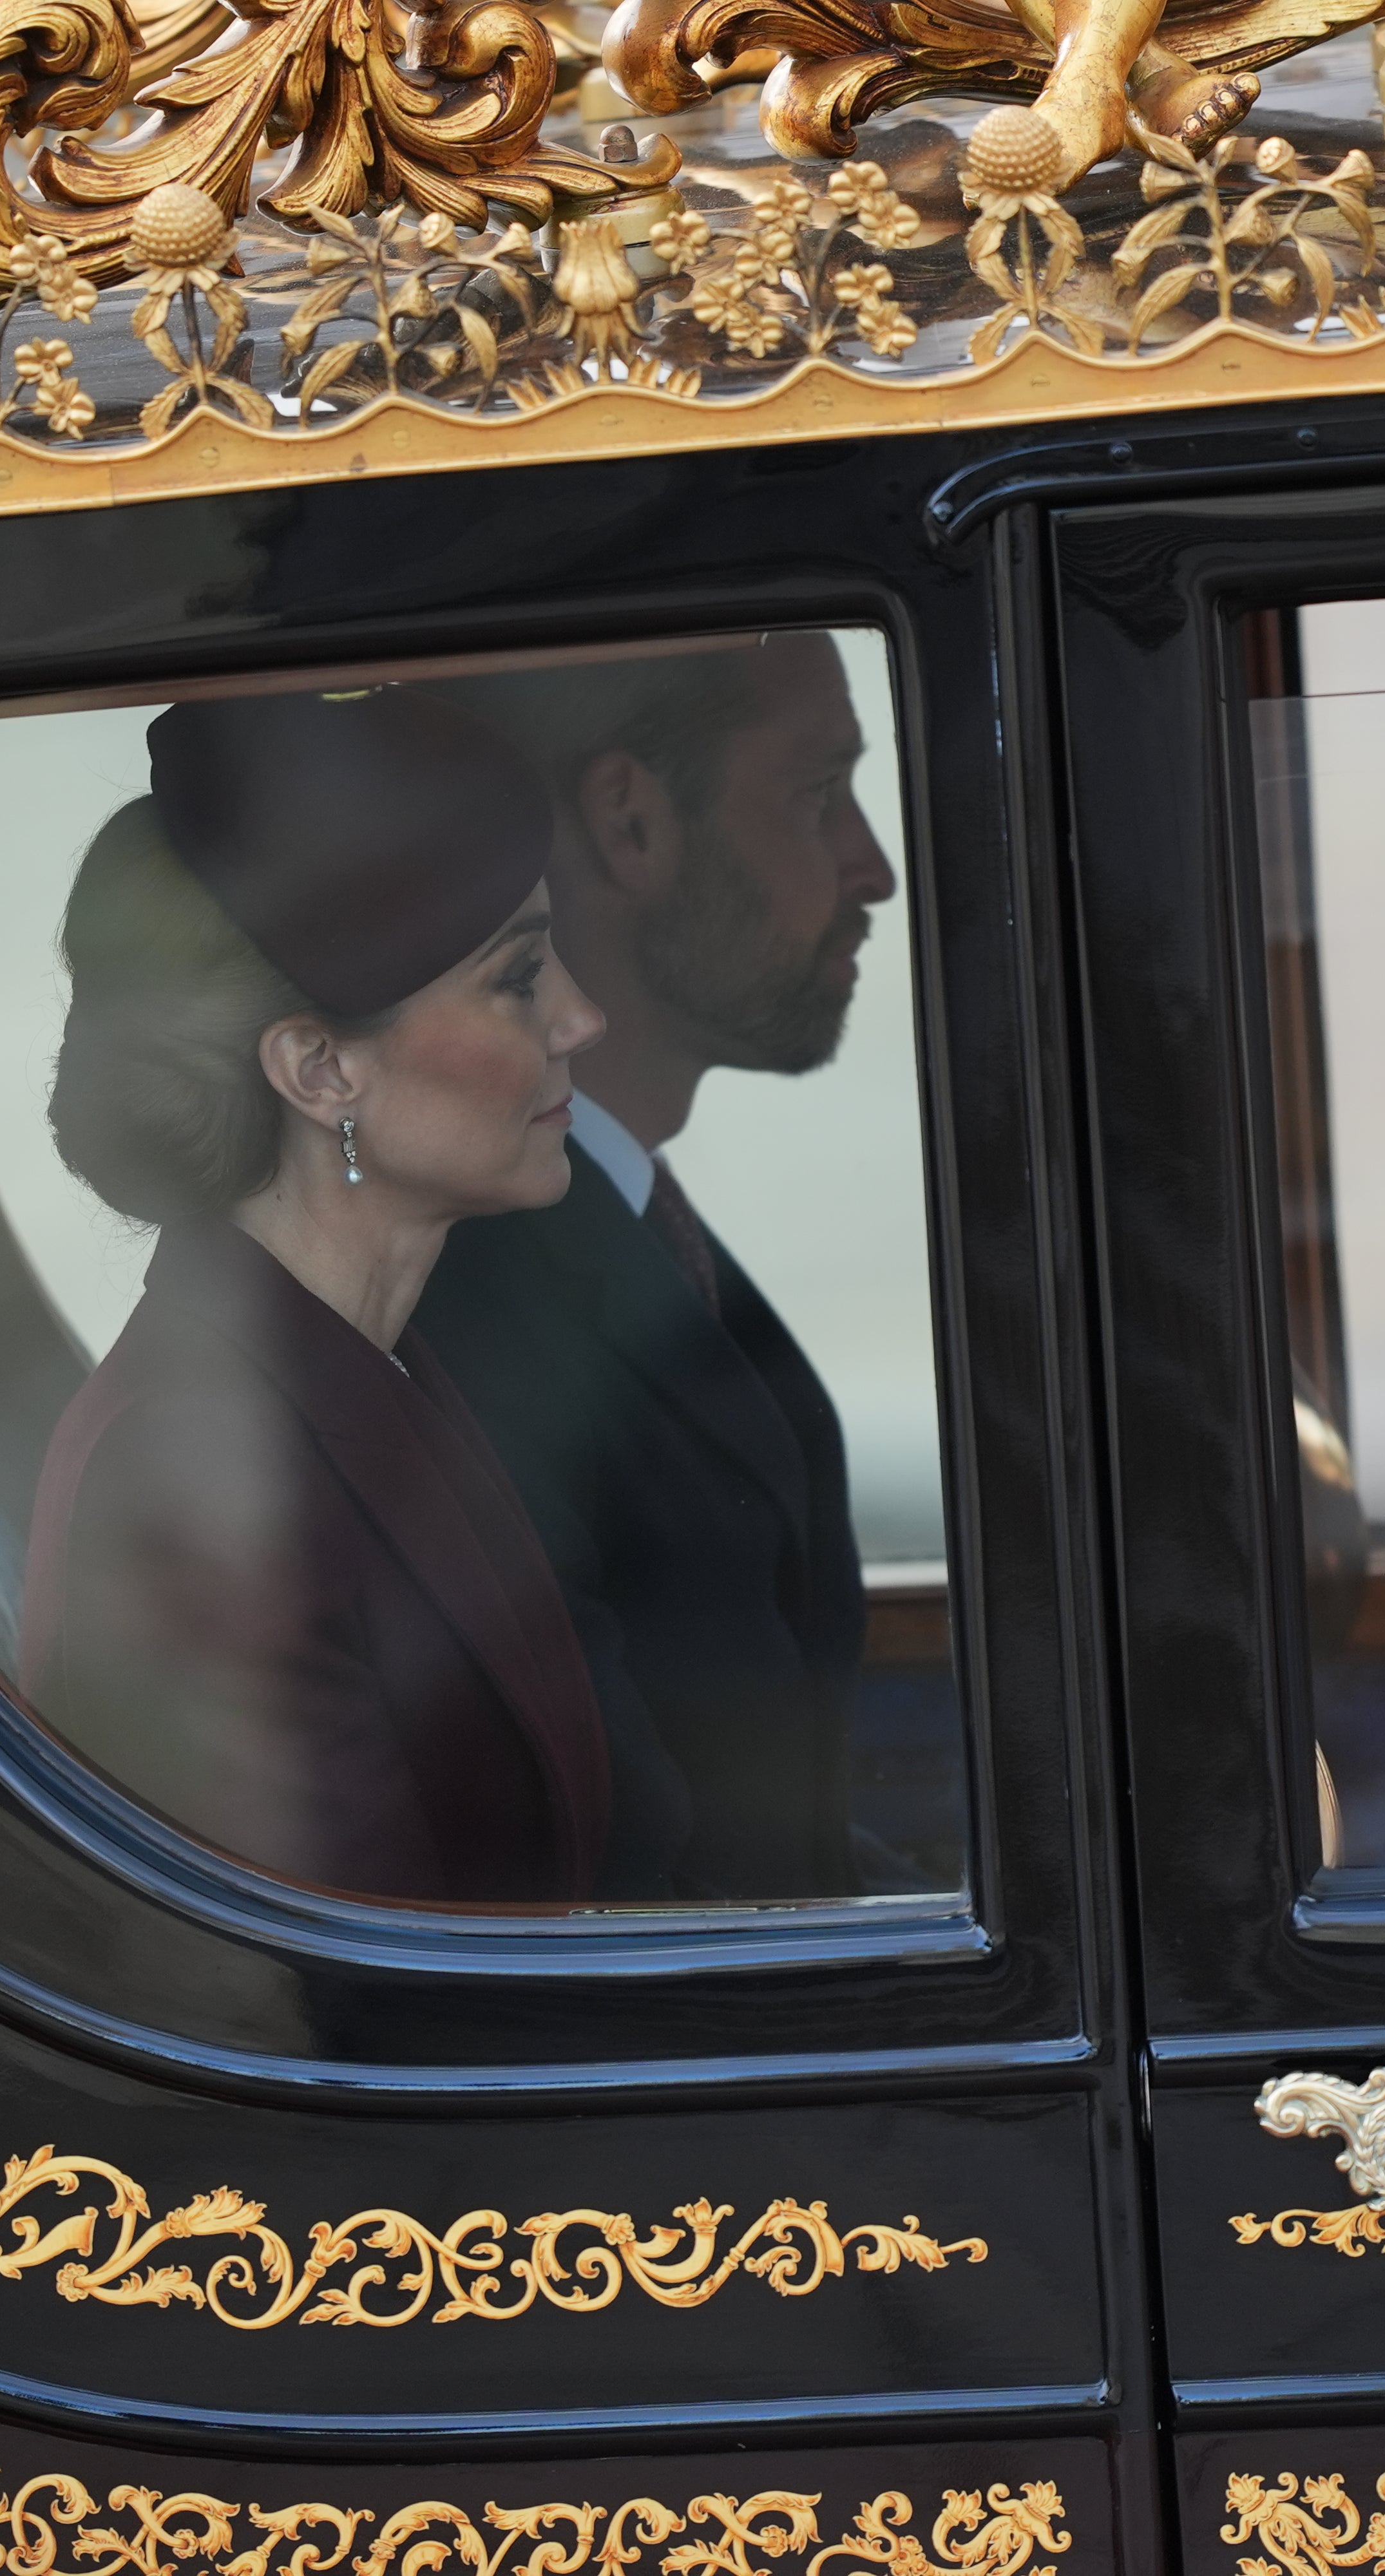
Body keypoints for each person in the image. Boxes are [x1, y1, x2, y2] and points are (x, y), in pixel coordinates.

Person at [19, 687, 622, 1907]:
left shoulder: (372, 1369)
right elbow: (332, 2026)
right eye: (517, 978)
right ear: (319, 1067)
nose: (581, 1018)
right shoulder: (191, 1485)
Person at [414, 636, 897, 1901]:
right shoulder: (474, 1303)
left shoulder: (615, 1220)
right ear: (632, 823)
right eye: (818, 793)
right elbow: (648, 1872)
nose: (874, 867)